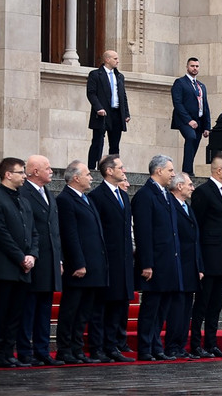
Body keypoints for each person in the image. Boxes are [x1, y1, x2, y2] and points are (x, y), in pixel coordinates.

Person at [132, 155, 183, 360]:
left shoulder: (166, 195)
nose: (172, 174)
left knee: (162, 308)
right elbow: (143, 232)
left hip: (168, 261)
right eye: (170, 170)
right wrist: (147, 263)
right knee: (150, 308)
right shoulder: (145, 195)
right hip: (154, 263)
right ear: (159, 171)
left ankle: (156, 346)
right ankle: (145, 348)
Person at [55, 160, 104, 364]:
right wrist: (78, 263)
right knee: (70, 310)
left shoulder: (86, 199)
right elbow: (70, 234)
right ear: (75, 178)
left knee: (84, 312)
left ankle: (77, 349)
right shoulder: (65, 199)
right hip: (78, 267)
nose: (91, 178)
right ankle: (64, 350)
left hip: (92, 265)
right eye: (87, 174)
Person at [17, 154, 61, 366]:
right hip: (33, 261)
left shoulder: (49, 194)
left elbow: (54, 230)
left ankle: (42, 351)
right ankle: (25, 351)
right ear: (35, 171)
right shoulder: (23, 193)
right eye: (47, 167)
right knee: (28, 309)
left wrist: (59, 259)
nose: (51, 171)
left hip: (50, 261)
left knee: (44, 309)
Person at [89, 155, 134, 362]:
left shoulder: (124, 196)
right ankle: (98, 348)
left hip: (123, 261)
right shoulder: (97, 196)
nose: (124, 171)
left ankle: (113, 345)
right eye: (120, 167)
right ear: (109, 171)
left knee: (119, 305)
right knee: (102, 307)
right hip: (106, 260)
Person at [189, 154, 222, 358]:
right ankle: (196, 344)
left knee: (216, 304)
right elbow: (196, 225)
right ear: (218, 171)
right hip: (207, 256)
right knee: (202, 303)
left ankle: (212, 343)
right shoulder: (203, 192)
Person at [0, 158, 35, 367]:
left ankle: (8, 352)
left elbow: (33, 233)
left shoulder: (24, 200)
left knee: (15, 315)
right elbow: (1, 233)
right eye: (20, 172)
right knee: (2, 313)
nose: (24, 176)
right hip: (5, 268)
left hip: (24, 268)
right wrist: (21, 257)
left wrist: (32, 255)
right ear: (8, 175)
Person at [164, 172, 203, 359]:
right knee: (176, 308)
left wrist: (200, 266)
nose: (192, 187)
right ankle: (172, 346)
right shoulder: (170, 205)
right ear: (179, 186)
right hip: (178, 264)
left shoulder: (187, 206)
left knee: (186, 308)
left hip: (190, 266)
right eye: (189, 184)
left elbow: (196, 239)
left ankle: (180, 345)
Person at [86, 50, 130, 170]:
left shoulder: (119, 76)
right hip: (102, 113)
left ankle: (114, 168)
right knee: (98, 141)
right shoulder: (95, 74)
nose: (118, 61)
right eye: (115, 58)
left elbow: (123, 95)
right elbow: (91, 93)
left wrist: (126, 113)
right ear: (107, 59)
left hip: (116, 113)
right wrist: (98, 108)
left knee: (115, 144)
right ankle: (92, 168)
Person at [170, 57, 212, 176]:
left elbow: (205, 106)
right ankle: (187, 171)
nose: (195, 68)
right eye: (192, 66)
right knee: (191, 137)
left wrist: (206, 126)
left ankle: (187, 168)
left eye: (197, 66)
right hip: (184, 120)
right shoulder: (180, 82)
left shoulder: (201, 86)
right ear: (187, 67)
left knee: (195, 143)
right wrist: (188, 120)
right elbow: (177, 103)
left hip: (199, 121)